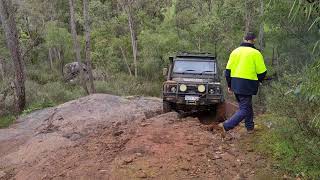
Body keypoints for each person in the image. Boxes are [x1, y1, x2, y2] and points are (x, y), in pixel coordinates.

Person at [220, 32, 267, 134]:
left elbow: (228, 71)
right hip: (247, 84)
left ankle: (250, 127)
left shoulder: (235, 52)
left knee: (247, 106)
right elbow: (262, 72)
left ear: (243, 39)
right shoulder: (256, 53)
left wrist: (229, 84)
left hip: (235, 83)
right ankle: (226, 125)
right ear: (254, 40)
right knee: (244, 109)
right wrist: (260, 80)